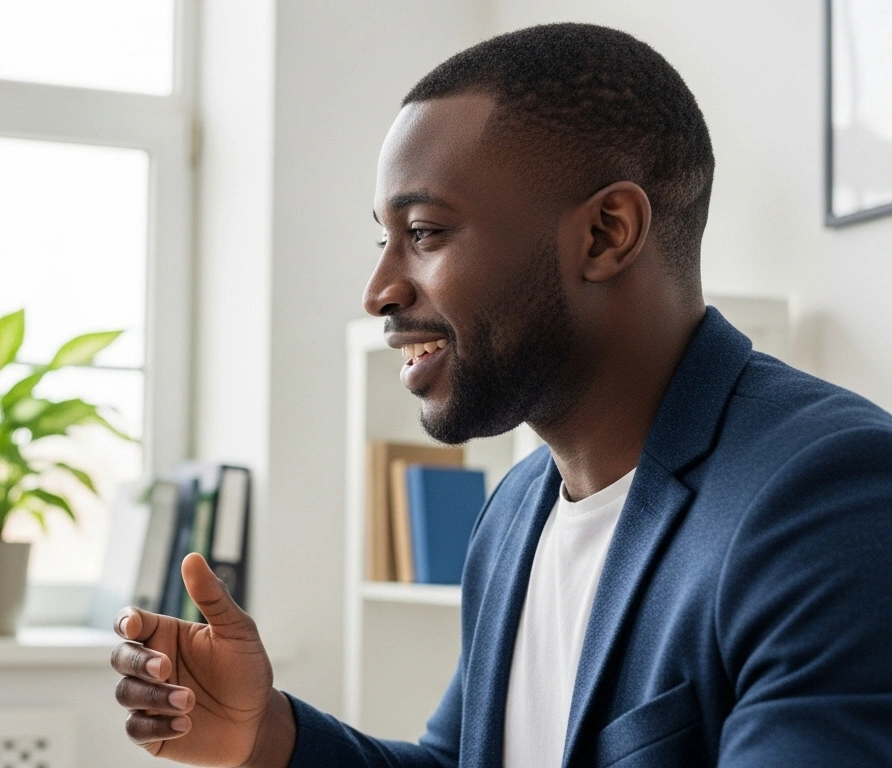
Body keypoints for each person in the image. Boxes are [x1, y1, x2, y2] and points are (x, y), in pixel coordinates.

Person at [108, 22, 892, 768]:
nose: (379, 290)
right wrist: (264, 736)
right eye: (384, 238)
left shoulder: (828, 498)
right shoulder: (518, 507)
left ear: (606, 234)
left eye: (424, 232)